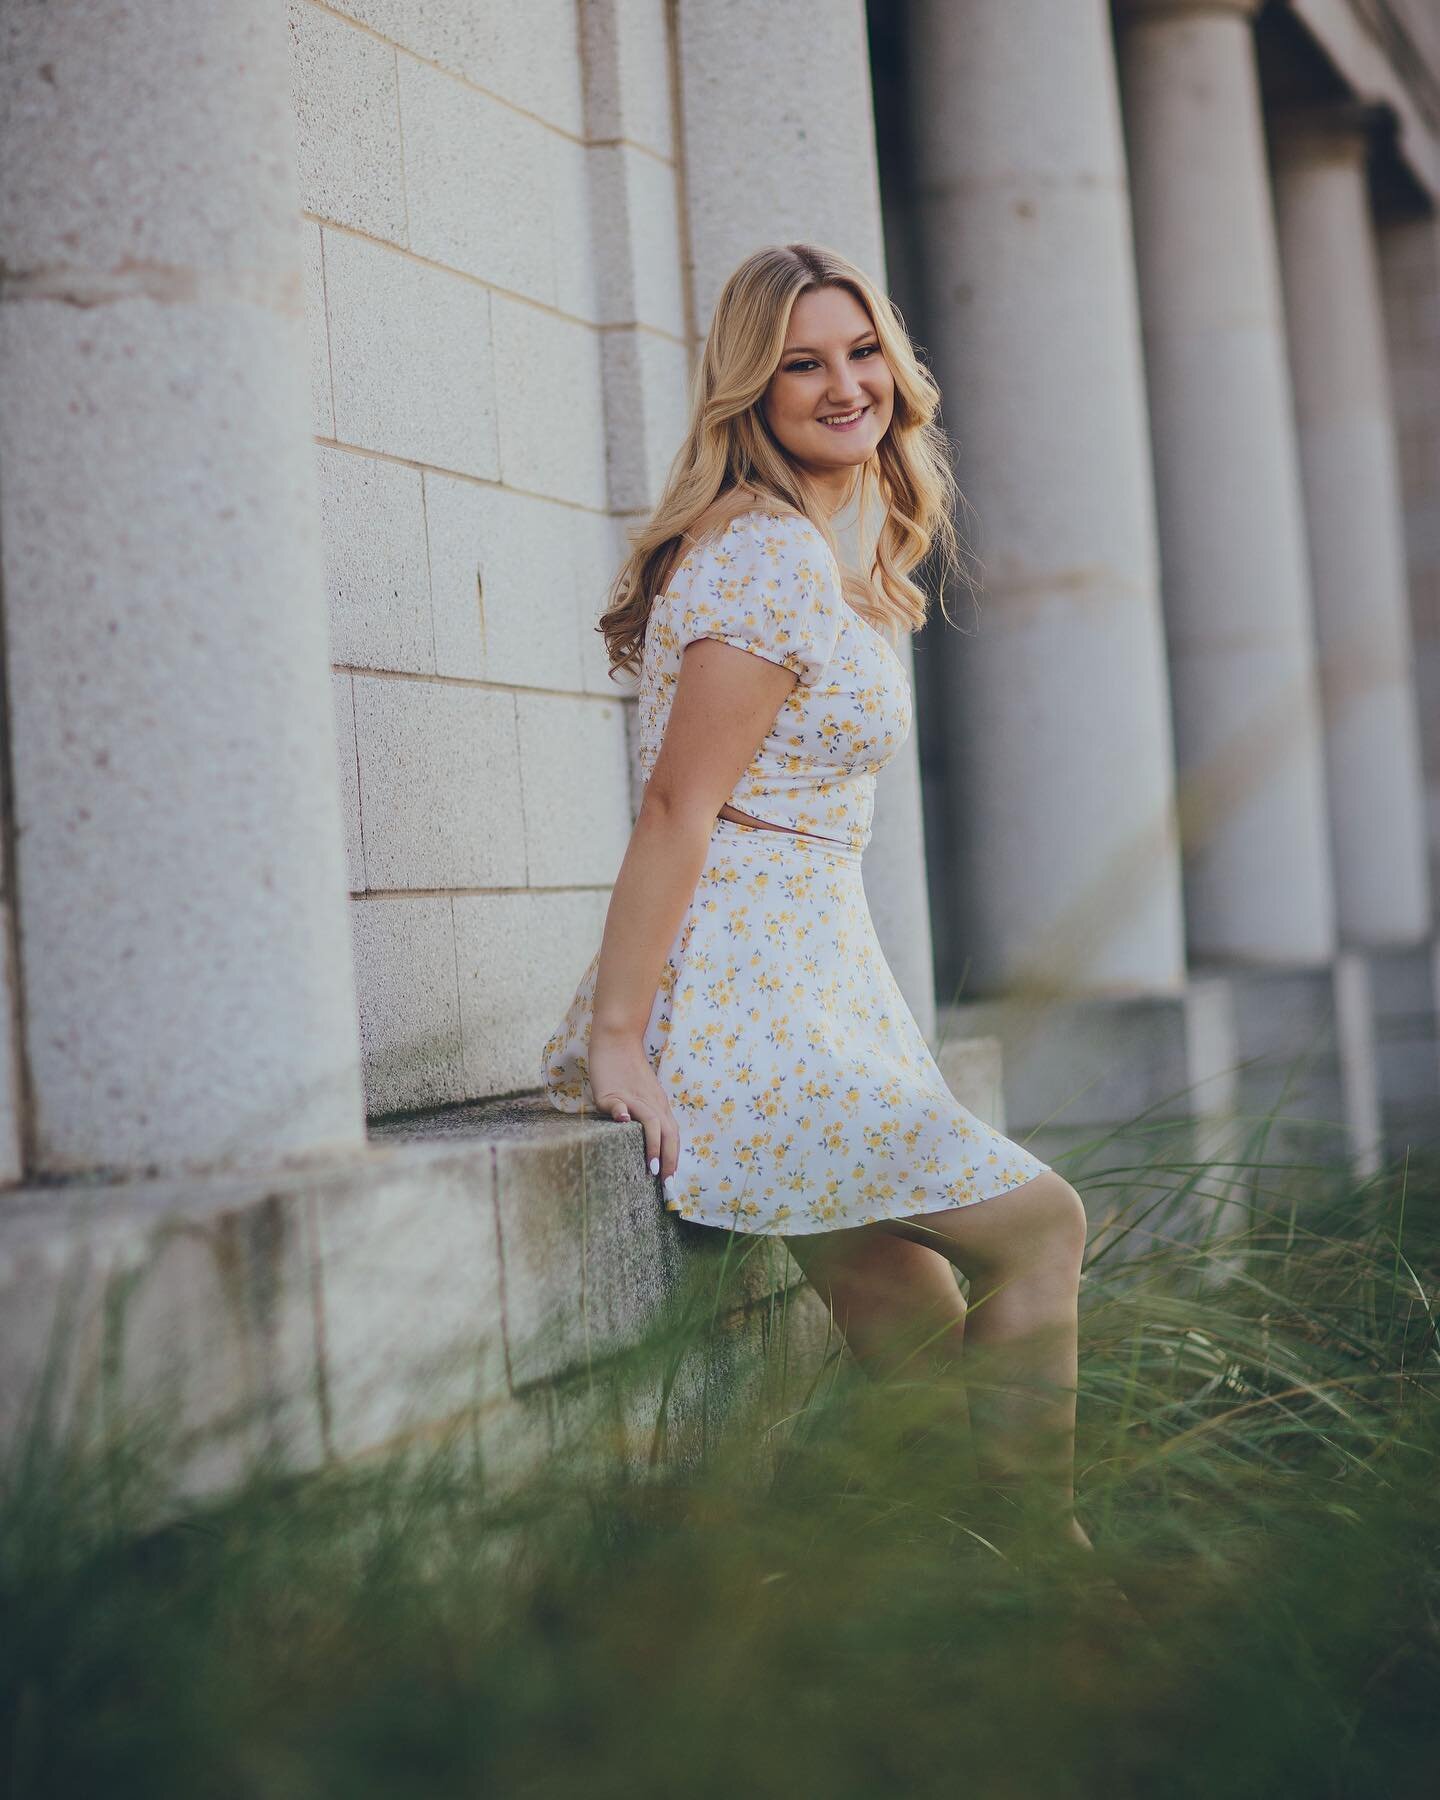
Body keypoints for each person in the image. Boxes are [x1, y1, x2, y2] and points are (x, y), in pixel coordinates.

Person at [540, 242, 1094, 1558]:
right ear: (751, 390)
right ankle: (1057, 1587)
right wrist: (620, 1038)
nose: (843, 384)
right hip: (748, 1005)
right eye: (802, 362)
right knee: (1041, 1226)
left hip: (813, 986)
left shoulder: (824, 558)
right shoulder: (766, 554)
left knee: (911, 1349)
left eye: (859, 352)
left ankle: (847, 1599)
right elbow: (682, 810)